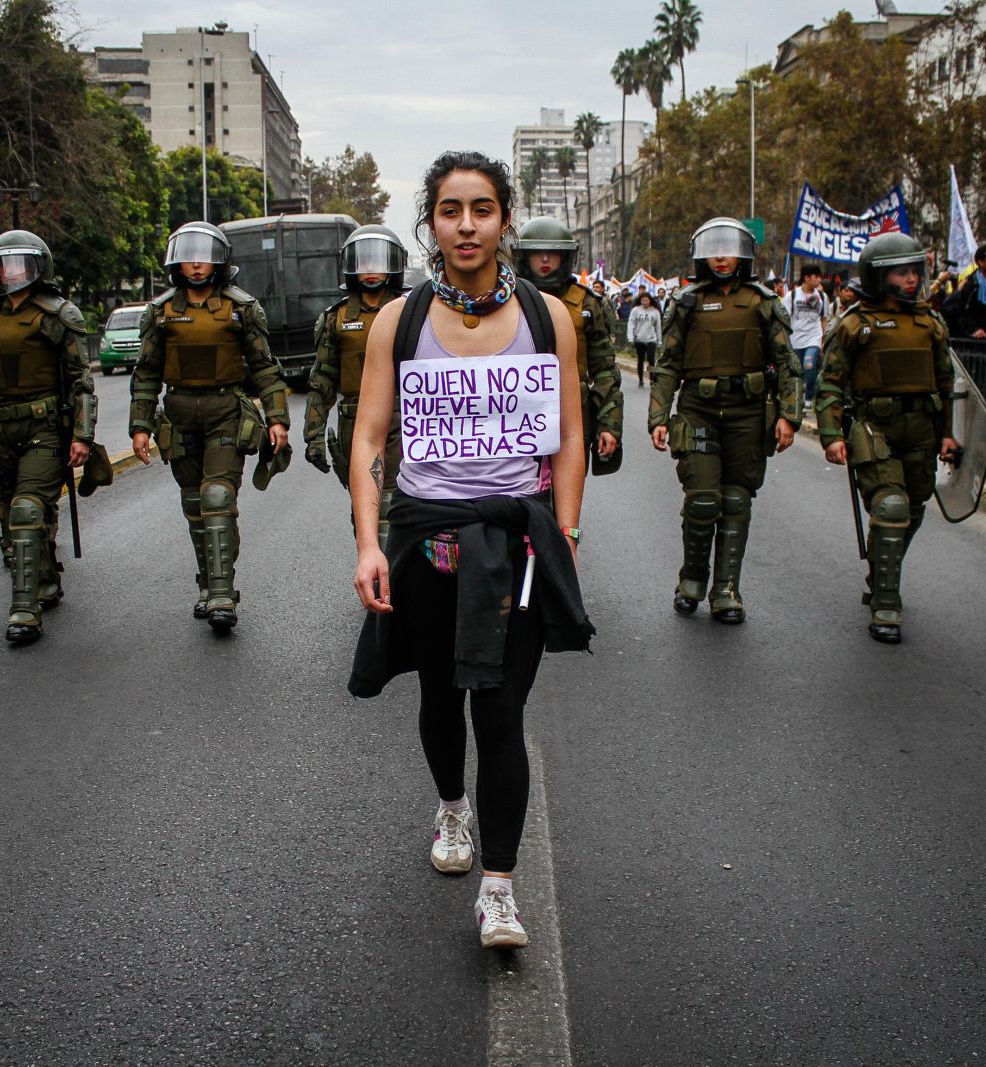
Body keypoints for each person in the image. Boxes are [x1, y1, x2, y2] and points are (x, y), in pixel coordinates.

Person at [347, 150, 592, 952]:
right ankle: (451, 802)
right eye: (450, 210)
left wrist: (567, 531)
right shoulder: (399, 320)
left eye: (481, 209)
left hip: (512, 543)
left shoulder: (551, 317)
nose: (466, 225)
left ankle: (499, 889)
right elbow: (369, 439)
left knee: (501, 707)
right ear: (431, 222)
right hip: (423, 540)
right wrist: (368, 544)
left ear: (505, 220)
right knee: (438, 697)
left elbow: (570, 437)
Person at [129, 221, 289, 632]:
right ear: (176, 262)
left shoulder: (242, 309)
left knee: (217, 497)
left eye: (203, 257)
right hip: (179, 416)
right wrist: (140, 426)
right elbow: (146, 373)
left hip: (225, 412)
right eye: (188, 257)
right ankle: (206, 583)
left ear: (218, 260)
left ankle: (222, 594)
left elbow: (265, 368)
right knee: (194, 507)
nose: (196, 265)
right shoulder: (160, 312)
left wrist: (277, 418)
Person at [0, 230, 95, 644]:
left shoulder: (58, 314)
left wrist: (81, 434)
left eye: (19, 264)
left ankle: (24, 611)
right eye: (4, 265)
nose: (11, 273)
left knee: (28, 509)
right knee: (12, 513)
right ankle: (44, 581)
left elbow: (80, 380)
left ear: (37, 268)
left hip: (43, 428)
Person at [648, 217, 802, 622]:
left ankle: (726, 591)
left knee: (736, 502)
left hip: (749, 414)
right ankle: (692, 580)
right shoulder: (686, 302)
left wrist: (790, 416)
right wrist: (658, 416)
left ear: (743, 255)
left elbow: (788, 365)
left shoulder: (764, 302)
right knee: (701, 501)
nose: (721, 256)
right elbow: (667, 366)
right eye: (713, 249)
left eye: (728, 249)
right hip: (698, 410)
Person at [817, 233, 958, 643]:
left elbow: (948, 385)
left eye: (916, 271)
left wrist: (949, 434)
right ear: (879, 276)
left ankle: (880, 569)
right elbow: (829, 384)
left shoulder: (931, 323)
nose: (912, 279)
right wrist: (831, 434)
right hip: (873, 427)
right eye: (902, 272)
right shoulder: (854, 324)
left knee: (912, 509)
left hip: (922, 430)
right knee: (891, 505)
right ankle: (886, 603)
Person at [304, 224, 409, 547]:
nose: (371, 270)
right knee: (366, 501)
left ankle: (395, 580)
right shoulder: (334, 319)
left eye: (378, 261)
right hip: (356, 418)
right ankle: (373, 568)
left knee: (395, 500)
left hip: (404, 416)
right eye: (363, 262)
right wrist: (314, 437)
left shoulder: (411, 310)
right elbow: (321, 381)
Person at [515, 216, 621, 467]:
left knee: (567, 498)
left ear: (564, 257)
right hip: (519, 417)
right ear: (524, 257)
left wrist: (610, 425)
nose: (544, 260)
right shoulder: (507, 298)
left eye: (552, 253)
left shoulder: (587, 303)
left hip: (573, 414)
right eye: (537, 253)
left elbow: (605, 370)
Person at [783, 264, 832, 403]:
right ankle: (796, 398)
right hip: (795, 339)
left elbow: (824, 319)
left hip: (813, 338)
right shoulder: (791, 296)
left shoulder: (822, 296)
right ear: (806, 277)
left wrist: (824, 339)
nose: (819, 280)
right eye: (816, 276)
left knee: (809, 365)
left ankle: (808, 399)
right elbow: (785, 318)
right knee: (797, 370)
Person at [628, 289, 663, 387]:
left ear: (650, 300)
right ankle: (641, 379)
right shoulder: (636, 310)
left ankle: (652, 378)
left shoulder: (655, 311)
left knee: (651, 358)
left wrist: (659, 340)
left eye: (646, 300)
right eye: (643, 300)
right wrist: (630, 337)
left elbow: (658, 326)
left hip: (651, 338)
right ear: (640, 300)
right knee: (640, 359)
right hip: (639, 338)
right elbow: (631, 324)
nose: (645, 302)